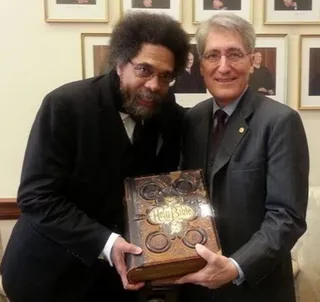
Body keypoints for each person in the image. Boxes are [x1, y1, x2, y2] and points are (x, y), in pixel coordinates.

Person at [0, 11, 190, 302]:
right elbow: (37, 197)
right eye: (144, 70)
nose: (154, 85)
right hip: (46, 277)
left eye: (166, 76)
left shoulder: (169, 115)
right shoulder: (64, 105)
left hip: (115, 283)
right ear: (119, 62)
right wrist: (106, 242)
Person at [176, 12, 309, 302]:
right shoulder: (192, 120)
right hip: (196, 287)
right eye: (213, 56)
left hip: (255, 288)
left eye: (234, 54)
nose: (223, 67)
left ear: (252, 60)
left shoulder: (280, 122)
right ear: (201, 66)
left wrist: (236, 267)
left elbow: (287, 218)